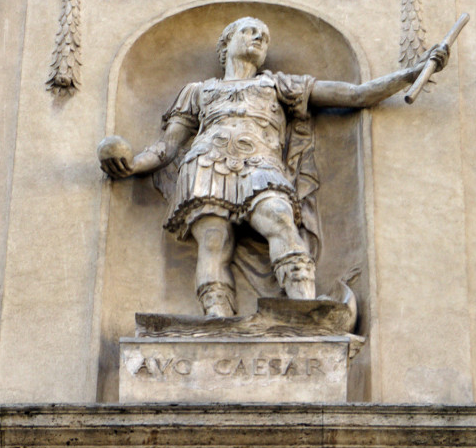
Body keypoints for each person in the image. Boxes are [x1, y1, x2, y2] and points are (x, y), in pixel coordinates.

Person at [98, 16, 448, 318]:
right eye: (249, 32)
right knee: (214, 242)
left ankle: (305, 311)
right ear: (227, 44)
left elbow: (355, 95)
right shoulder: (198, 91)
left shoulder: (278, 84)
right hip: (206, 165)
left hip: (260, 164)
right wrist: (129, 166)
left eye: (263, 37)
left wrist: (411, 73)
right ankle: (217, 323)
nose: (258, 38)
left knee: (279, 218)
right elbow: (165, 148)